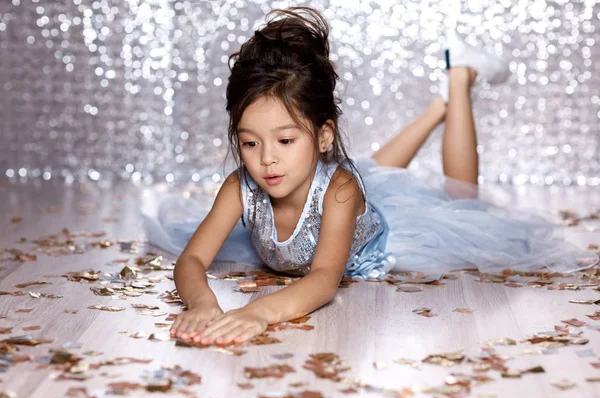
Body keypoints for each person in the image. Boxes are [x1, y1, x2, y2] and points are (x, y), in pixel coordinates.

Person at [141, 7, 598, 346]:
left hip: (386, 235)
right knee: (378, 173)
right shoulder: (240, 187)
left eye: (284, 141)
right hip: (340, 184)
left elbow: (322, 279)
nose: (266, 162)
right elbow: (191, 261)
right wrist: (201, 302)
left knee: (463, 200)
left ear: (323, 137)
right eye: (249, 142)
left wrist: (260, 312)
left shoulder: (339, 189)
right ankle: (437, 107)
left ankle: (459, 79)